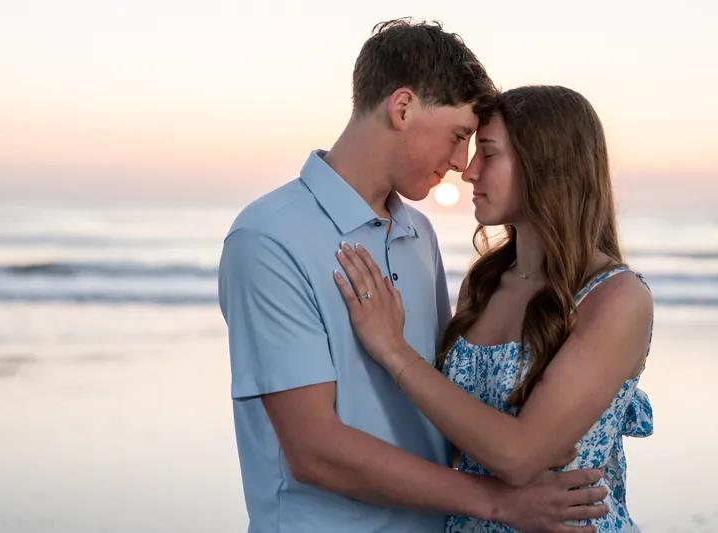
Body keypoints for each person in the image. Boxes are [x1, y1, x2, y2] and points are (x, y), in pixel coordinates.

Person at [219, 20, 610, 533]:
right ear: (402, 108)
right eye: (459, 136)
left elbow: (444, 401)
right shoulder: (269, 237)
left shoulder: (418, 234)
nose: (462, 164)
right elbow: (314, 451)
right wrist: (499, 501)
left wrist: (539, 439)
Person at [332, 85, 654, 532]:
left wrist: (393, 349)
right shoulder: (482, 284)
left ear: (544, 165)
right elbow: (453, 439)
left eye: (488, 153)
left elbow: (519, 456)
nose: (468, 172)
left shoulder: (616, 298)